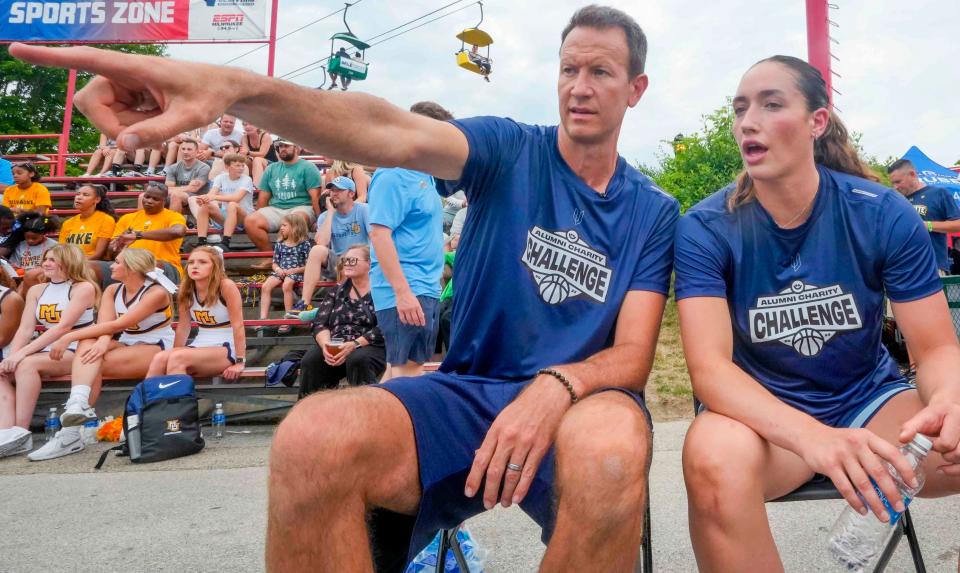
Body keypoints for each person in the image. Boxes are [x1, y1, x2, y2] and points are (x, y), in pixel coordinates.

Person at [10, 8, 675, 569]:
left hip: (580, 399)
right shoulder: (510, 148)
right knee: (314, 434)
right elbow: (384, 128)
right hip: (473, 389)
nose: (579, 86)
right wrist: (237, 89)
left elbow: (632, 356)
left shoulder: (652, 209)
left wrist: (553, 388)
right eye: (569, 68)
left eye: (600, 71)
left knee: (612, 450)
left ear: (635, 88)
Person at [674, 55, 960, 572]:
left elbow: (937, 347)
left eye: (770, 104)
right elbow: (709, 371)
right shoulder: (706, 226)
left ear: (817, 121)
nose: (747, 122)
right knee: (710, 456)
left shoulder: (880, 211)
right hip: (763, 426)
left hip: (868, 405)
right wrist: (814, 438)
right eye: (741, 109)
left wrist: (948, 398)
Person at [46, 248, 177, 458]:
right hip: (126, 342)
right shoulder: (112, 290)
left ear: (132, 268)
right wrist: (103, 343)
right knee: (89, 346)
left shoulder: (156, 292)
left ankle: (70, 432)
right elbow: (105, 325)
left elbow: (120, 323)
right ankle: (77, 407)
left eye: (116, 262)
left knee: (90, 361)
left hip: (157, 345)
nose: (112, 266)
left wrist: (69, 336)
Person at [366, 102, 448, 382]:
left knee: (397, 370)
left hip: (422, 284)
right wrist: (402, 292)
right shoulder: (393, 175)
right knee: (408, 371)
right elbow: (379, 234)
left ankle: (371, 427)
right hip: (407, 286)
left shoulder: (425, 174)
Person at [0, 244, 98, 460]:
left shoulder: (83, 288)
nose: (46, 263)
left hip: (76, 348)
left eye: (53, 259)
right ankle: (6, 432)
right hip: (46, 349)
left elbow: (63, 327)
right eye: (45, 259)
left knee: (26, 364)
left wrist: (20, 356)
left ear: (69, 261)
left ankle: (21, 431)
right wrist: (11, 357)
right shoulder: (36, 289)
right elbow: (25, 329)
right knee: (4, 370)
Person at [145, 246, 247, 380]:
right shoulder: (186, 289)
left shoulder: (226, 286)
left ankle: (175, 400)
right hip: (200, 343)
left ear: (215, 267)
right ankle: (149, 399)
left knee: (177, 358)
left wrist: (240, 362)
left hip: (227, 346)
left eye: (202, 262)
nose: (195, 266)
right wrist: (174, 352)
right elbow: (183, 327)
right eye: (191, 262)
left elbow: (238, 325)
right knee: (160, 358)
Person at [299, 244, 385, 396]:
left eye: (353, 260)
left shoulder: (382, 291)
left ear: (369, 264)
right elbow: (319, 323)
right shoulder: (337, 291)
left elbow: (386, 326)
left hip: (369, 344)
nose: (347, 263)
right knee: (310, 361)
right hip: (337, 343)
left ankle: (366, 409)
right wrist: (326, 344)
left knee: (357, 359)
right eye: (345, 260)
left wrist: (354, 344)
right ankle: (311, 412)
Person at [289, 175, 369, 318]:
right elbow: (321, 243)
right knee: (317, 250)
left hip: (362, 260)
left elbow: (375, 239)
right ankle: (305, 303)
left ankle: (340, 309)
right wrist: (331, 212)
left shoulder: (364, 210)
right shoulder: (325, 216)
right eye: (332, 190)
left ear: (351, 193)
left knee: (348, 262)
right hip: (338, 263)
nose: (334, 193)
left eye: (339, 190)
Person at [244, 138, 322, 253]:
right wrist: (260, 213)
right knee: (251, 221)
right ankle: (269, 256)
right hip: (276, 208)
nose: (283, 149)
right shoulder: (271, 168)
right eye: (280, 146)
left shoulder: (308, 167)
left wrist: (319, 220)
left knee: (293, 220)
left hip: (302, 207)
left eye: (286, 146)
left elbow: (315, 197)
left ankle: (284, 257)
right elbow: (263, 197)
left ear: (296, 148)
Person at [887, 158, 960, 275]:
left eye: (898, 181)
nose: (895, 187)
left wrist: (927, 225)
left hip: (932, 266)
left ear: (912, 174)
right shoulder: (896, 200)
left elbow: (958, 225)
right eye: (893, 183)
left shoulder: (939, 194)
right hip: (903, 268)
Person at [109, 182, 186, 284]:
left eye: (155, 199)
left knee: (140, 265)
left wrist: (138, 235)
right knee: (93, 267)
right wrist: (118, 245)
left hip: (166, 265)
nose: (149, 201)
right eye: (147, 197)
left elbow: (178, 231)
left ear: (164, 201)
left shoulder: (174, 216)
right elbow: (111, 251)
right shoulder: (127, 218)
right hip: (127, 265)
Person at [189, 153, 254, 249]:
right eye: (237, 165)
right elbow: (211, 194)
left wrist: (213, 197)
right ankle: (201, 241)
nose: (241, 168)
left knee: (232, 204)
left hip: (244, 216)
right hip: (227, 216)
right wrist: (203, 199)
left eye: (242, 165)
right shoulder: (220, 177)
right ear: (227, 167)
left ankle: (225, 241)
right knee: (205, 206)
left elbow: (236, 198)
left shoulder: (247, 179)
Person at [259, 213, 311, 334]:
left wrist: (294, 270)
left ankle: (288, 318)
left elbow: (309, 265)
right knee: (265, 286)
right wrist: (278, 270)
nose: (281, 228)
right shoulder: (280, 244)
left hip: (296, 272)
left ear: (295, 227)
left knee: (287, 285)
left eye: (284, 225)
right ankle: (263, 319)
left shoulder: (305, 244)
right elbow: (274, 263)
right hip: (281, 271)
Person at [58, 184, 116, 261]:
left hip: (93, 263)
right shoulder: (68, 223)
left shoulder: (106, 220)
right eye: (78, 194)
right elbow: (61, 250)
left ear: (97, 200)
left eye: (85, 195)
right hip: (69, 263)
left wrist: (76, 264)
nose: (79, 197)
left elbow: (98, 255)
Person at [9, 212, 60, 294]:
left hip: (44, 279)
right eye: (27, 237)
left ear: (43, 234)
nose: (30, 240)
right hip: (22, 279)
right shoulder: (21, 245)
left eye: (34, 238)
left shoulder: (54, 246)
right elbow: (14, 266)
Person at [163, 138, 211, 214]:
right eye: (183, 149)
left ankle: (175, 223)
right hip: (179, 195)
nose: (185, 152)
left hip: (198, 197)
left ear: (196, 151)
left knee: (175, 195)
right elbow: (167, 188)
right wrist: (187, 187)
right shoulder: (173, 167)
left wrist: (174, 189)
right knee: (145, 195)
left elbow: (194, 189)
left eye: (189, 149)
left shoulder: (203, 167)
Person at [240, 122, 276, 187]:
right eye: (245, 125)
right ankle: (241, 185)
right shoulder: (244, 137)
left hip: (272, 165)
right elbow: (244, 154)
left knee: (257, 159)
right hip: (256, 164)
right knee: (243, 160)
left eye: (250, 124)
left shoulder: (265, 136)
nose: (247, 127)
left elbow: (262, 154)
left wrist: (248, 152)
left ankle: (257, 187)